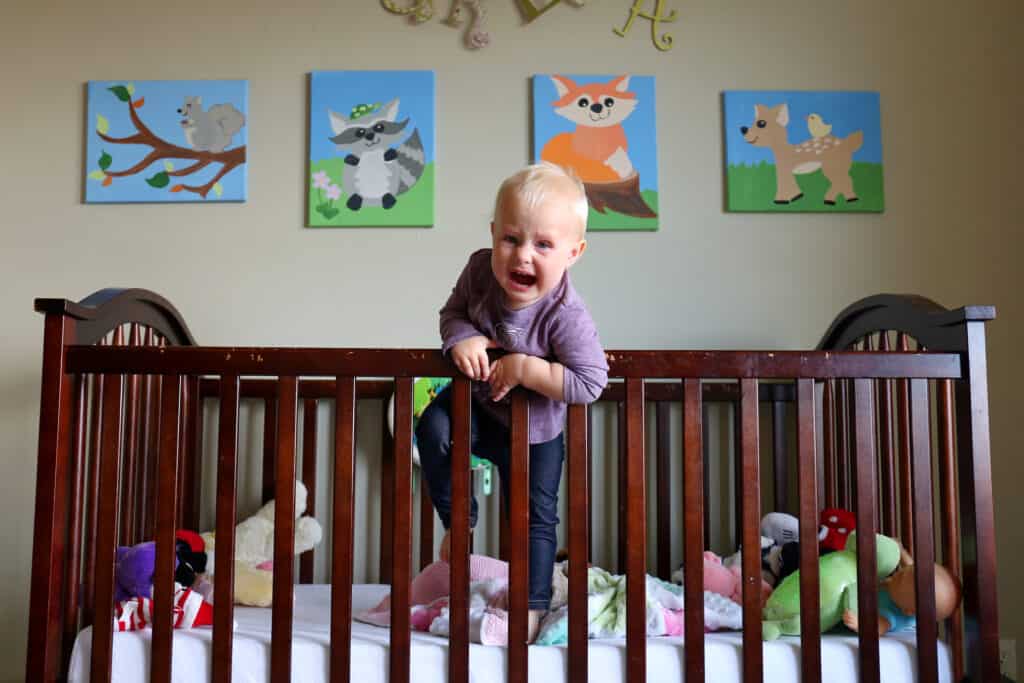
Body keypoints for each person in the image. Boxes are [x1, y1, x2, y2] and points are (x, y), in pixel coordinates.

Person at [416, 161, 609, 642]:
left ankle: (531, 605)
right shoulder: (479, 272)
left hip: (537, 432)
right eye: (511, 238)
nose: (523, 255)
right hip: (477, 409)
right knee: (431, 427)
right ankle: (458, 521)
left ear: (573, 252)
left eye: (543, 244)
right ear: (493, 234)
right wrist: (461, 337)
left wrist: (525, 368)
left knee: (534, 520)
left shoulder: (566, 313)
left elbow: (590, 381)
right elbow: (453, 313)